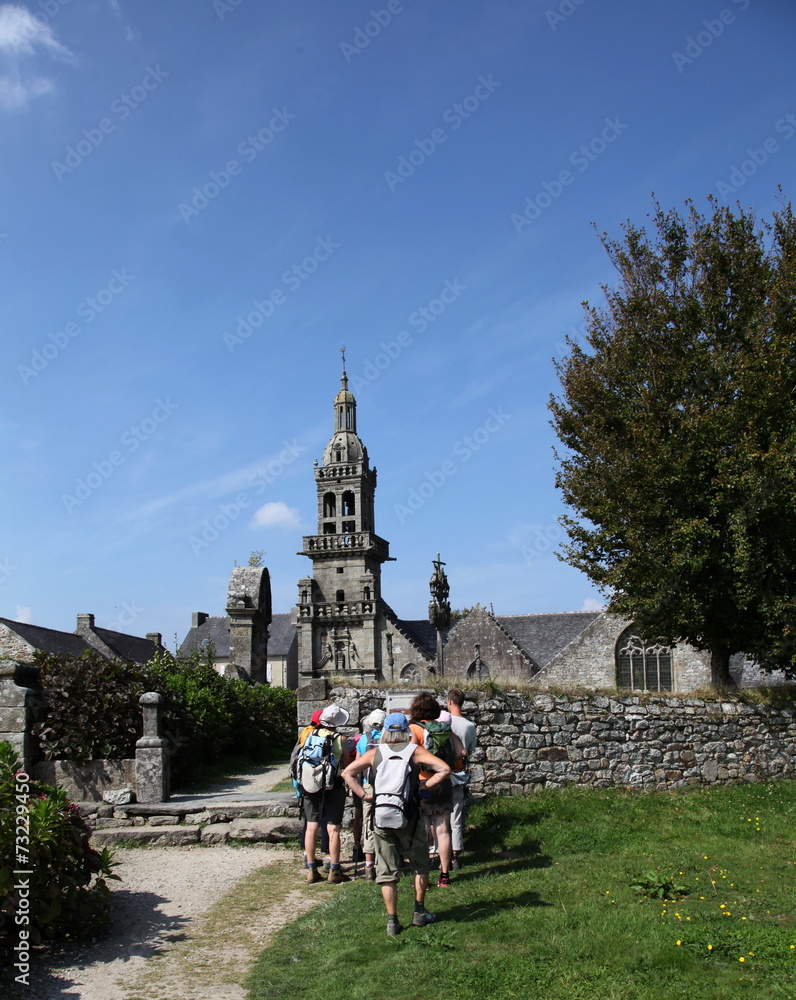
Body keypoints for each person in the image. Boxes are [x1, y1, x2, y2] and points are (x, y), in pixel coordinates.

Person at [342, 712, 451, 936]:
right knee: (420, 863)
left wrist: (364, 795)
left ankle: (392, 921)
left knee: (387, 871)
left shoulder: (375, 753)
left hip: (381, 814)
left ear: (385, 732)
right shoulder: (415, 751)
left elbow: (348, 772)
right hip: (409, 815)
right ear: (405, 731)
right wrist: (424, 785)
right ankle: (419, 912)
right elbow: (445, 769)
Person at [408, 692, 464, 888]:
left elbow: (411, 755)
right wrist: (445, 762)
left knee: (424, 828)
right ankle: (445, 874)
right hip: (445, 781)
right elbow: (461, 752)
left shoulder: (414, 728)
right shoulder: (446, 729)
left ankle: (424, 873)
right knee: (443, 828)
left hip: (424, 782)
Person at [302, 704, 351, 884]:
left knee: (311, 826)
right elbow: (346, 764)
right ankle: (334, 870)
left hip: (311, 784)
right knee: (333, 827)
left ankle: (311, 868)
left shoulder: (310, 735)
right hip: (334, 784)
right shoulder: (341, 739)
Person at [447, 688, 477, 869]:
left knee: (440, 815)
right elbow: (470, 750)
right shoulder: (469, 726)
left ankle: (439, 852)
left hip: (441, 774)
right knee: (456, 814)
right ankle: (455, 854)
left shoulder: (443, 722)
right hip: (460, 774)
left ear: (450, 702)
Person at [355, 709, 386, 880]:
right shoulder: (388, 739)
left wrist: (359, 787)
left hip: (368, 786)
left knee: (368, 823)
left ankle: (368, 866)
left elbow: (357, 764)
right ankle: (385, 861)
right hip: (387, 785)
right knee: (387, 820)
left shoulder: (363, 739)